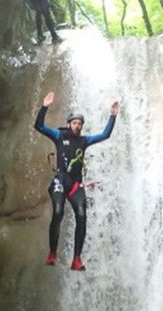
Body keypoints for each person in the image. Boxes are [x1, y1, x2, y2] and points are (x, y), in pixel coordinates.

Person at [34, 91, 120, 271]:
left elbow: (105, 135)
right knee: (58, 212)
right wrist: (45, 107)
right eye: (74, 123)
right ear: (69, 124)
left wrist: (112, 115)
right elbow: (39, 126)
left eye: (80, 124)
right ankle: (52, 253)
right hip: (60, 181)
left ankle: (77, 259)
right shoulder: (59, 136)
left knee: (82, 217)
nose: (77, 126)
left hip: (75, 185)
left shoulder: (84, 140)